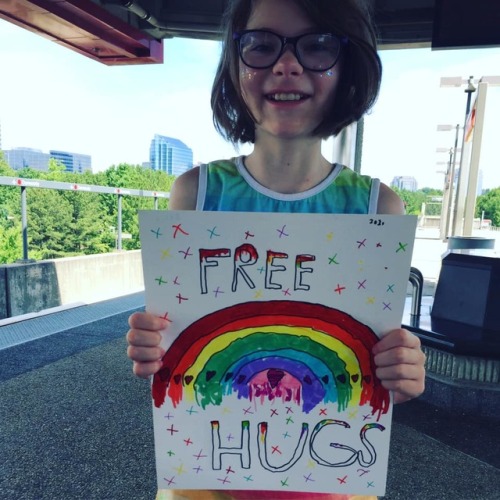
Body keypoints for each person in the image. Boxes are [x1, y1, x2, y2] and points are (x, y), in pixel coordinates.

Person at [127, 0, 426, 499]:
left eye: (317, 45)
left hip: (335, 482)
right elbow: (174, 347)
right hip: (205, 481)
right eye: (262, 46)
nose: (287, 65)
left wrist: (405, 369)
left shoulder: (380, 209)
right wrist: (152, 345)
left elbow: (379, 365)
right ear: (234, 65)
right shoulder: (194, 196)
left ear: (347, 65)